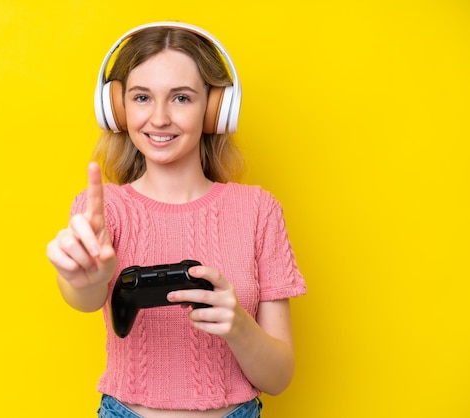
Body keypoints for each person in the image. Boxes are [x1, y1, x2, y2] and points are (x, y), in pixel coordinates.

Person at [47, 21, 307, 418]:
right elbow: (83, 297)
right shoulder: (104, 208)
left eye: (181, 98)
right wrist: (88, 277)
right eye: (141, 98)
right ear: (117, 108)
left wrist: (237, 325)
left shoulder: (259, 211)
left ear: (215, 109)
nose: (160, 118)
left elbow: (278, 378)